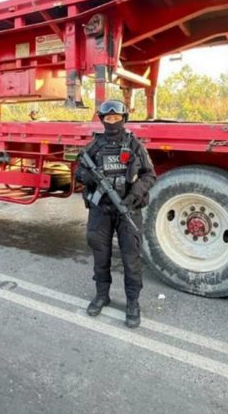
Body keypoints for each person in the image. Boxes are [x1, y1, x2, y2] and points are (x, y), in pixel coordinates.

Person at [75, 100, 156, 328]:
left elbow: (150, 175)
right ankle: (102, 295)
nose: (112, 122)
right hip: (101, 210)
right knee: (100, 255)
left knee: (131, 258)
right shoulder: (95, 146)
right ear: (102, 120)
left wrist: (134, 195)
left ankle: (132, 302)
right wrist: (88, 177)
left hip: (127, 209)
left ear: (124, 119)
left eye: (116, 118)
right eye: (108, 119)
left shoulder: (134, 145)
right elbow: (79, 171)